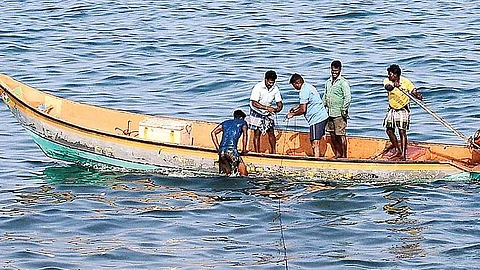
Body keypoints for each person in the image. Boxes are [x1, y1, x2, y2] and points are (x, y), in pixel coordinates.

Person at [383, 64, 423, 161]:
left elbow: (413, 90)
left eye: (390, 74)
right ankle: (397, 149)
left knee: (402, 131)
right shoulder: (387, 81)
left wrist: (417, 95)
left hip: (403, 109)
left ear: (396, 75)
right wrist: (393, 86)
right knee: (389, 130)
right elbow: (387, 87)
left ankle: (403, 155)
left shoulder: (406, 82)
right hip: (392, 109)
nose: (389, 76)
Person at [286, 73, 329, 157]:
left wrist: (292, 114)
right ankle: (317, 156)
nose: (294, 88)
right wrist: (297, 106)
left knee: (314, 141)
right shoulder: (309, 87)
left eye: (294, 85)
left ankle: (316, 159)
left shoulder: (303, 91)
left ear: (297, 83)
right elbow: (309, 101)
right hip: (323, 116)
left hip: (316, 118)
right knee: (315, 140)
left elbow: (303, 110)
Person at [248, 70, 283, 154]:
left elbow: (279, 102)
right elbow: (254, 103)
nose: (271, 84)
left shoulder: (275, 89)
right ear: (266, 79)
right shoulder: (258, 87)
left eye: (273, 82)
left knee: (271, 132)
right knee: (257, 133)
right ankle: (257, 153)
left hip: (267, 112)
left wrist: (278, 108)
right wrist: (267, 108)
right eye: (269, 82)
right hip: (256, 111)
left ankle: (273, 152)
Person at [324, 60, 351, 158]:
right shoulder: (328, 82)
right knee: (332, 134)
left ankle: (344, 156)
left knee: (341, 135)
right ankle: (337, 153)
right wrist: (323, 108)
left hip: (339, 114)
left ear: (340, 70)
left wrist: (344, 110)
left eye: (336, 70)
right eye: (332, 70)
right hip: (329, 113)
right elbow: (325, 96)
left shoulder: (343, 83)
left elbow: (347, 97)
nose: (334, 72)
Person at [211, 109, 249, 176]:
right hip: (232, 151)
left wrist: (218, 148)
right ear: (241, 118)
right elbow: (245, 136)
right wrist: (244, 150)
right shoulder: (243, 123)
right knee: (244, 174)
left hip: (222, 151)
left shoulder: (225, 123)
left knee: (226, 174)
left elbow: (213, 133)